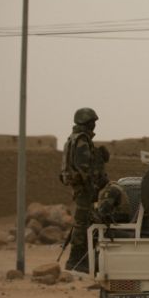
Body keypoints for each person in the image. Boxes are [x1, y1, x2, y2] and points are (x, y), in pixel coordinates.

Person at [59, 107, 100, 273]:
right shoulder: (82, 141)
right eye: (92, 123)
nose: (94, 126)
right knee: (82, 224)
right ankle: (76, 260)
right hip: (83, 188)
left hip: (79, 187)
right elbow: (85, 170)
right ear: (86, 122)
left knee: (85, 222)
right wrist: (94, 188)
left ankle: (83, 259)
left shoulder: (73, 138)